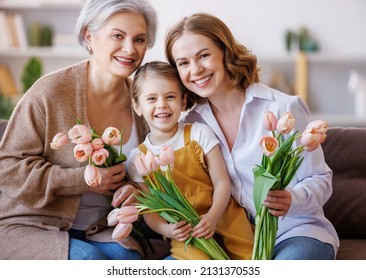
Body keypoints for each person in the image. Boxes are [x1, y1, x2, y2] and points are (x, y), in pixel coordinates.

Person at [165, 13, 340, 260]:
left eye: (204, 55)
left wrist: (293, 198)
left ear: (226, 52)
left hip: (295, 232)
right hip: (236, 241)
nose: (195, 70)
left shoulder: (282, 108)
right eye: (183, 63)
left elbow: (320, 178)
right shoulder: (191, 125)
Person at [0, 0, 158, 260]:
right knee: (90, 262)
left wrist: (135, 191)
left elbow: (146, 174)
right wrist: (83, 179)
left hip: (103, 228)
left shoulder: (142, 101)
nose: (130, 49)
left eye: (139, 39)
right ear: (89, 36)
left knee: (130, 261)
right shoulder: (50, 92)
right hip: (33, 225)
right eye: (117, 35)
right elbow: (7, 168)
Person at [127, 61, 254, 260]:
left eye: (170, 97)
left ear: (183, 102)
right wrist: (167, 230)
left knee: (250, 260)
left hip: (223, 217)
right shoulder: (138, 158)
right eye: (151, 99)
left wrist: (212, 217)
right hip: (186, 232)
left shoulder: (198, 133)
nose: (162, 104)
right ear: (137, 106)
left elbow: (222, 182)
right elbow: (150, 210)